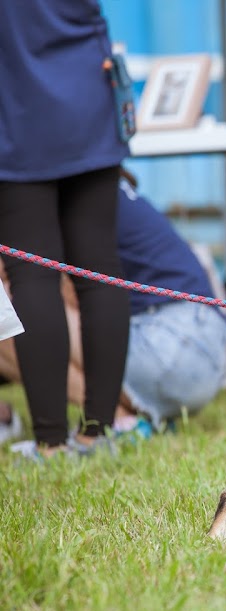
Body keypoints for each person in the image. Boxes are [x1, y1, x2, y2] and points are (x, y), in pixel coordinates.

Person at [0, 173, 226, 448]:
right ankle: (141, 413)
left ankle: (117, 421)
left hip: (168, 346)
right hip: (207, 348)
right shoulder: (91, 176)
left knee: (8, 313)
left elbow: (59, 296)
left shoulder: (37, 191)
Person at [0, 1, 132, 457]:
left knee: (32, 277)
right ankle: (98, 433)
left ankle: (51, 444)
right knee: (99, 271)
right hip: (89, 96)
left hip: (15, 109)